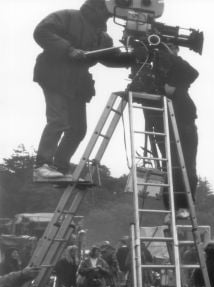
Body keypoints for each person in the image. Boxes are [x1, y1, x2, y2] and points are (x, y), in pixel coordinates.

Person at [32, 0, 122, 181]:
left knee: (78, 129)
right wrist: (68, 50)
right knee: (58, 120)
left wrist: (136, 56)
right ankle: (42, 165)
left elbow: (110, 58)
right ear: (97, 8)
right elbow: (41, 32)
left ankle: (59, 169)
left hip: (78, 83)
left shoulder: (102, 36)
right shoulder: (67, 17)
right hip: (54, 76)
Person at [141, 44, 200, 217]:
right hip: (162, 123)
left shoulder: (179, 71)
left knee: (186, 166)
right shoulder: (153, 69)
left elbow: (192, 72)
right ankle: (172, 207)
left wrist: (166, 51)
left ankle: (183, 206)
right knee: (170, 166)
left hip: (183, 122)